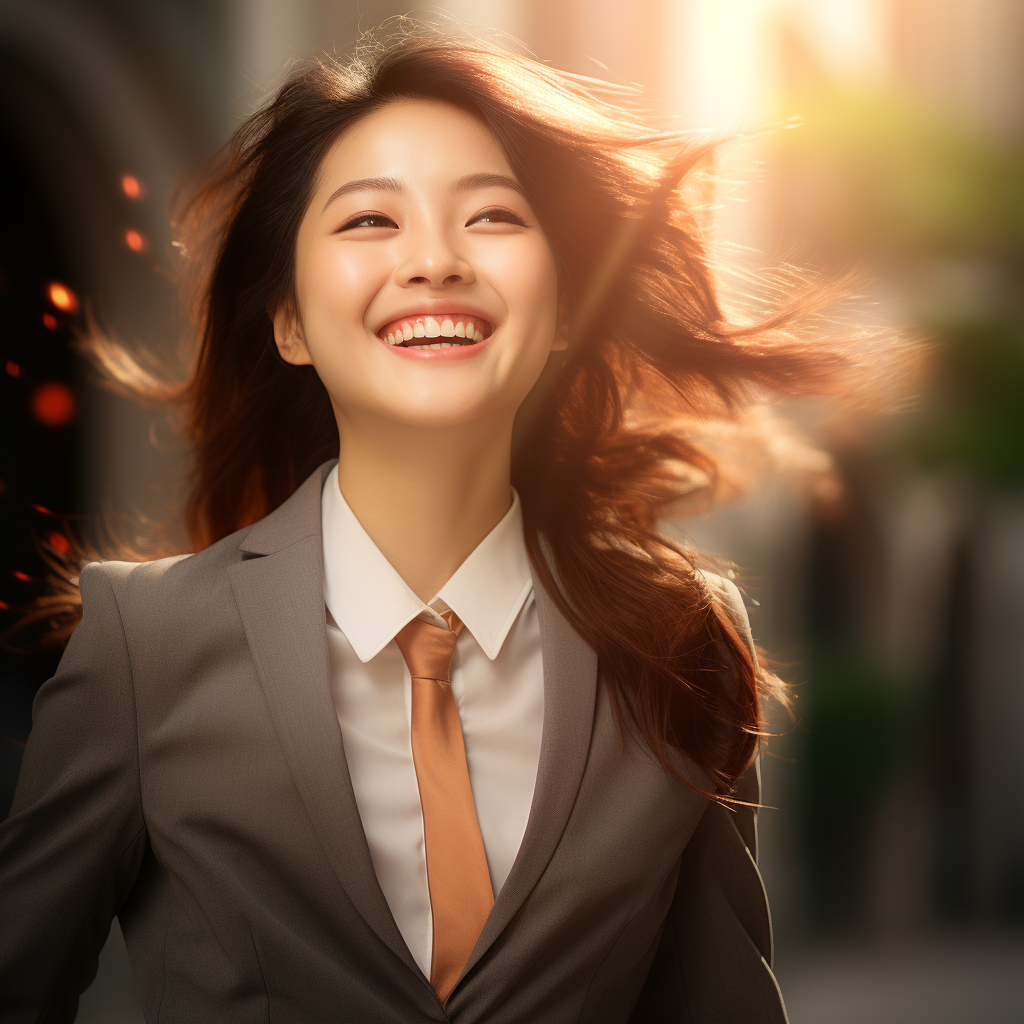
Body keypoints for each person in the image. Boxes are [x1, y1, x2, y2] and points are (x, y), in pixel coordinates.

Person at [0, 27, 882, 1023]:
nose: (434, 260)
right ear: (287, 319)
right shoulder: (143, 645)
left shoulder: (679, 642)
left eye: (493, 216)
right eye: (369, 220)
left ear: (559, 311)